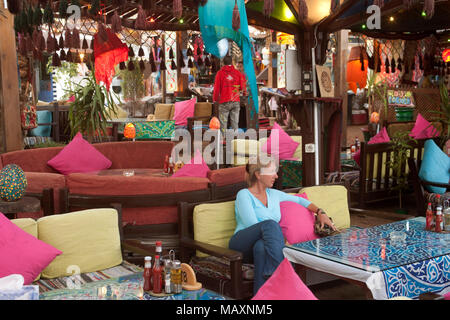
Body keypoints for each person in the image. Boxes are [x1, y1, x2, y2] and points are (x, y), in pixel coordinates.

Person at [228, 157, 336, 295]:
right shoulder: (244, 195)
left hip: (263, 244)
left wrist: (321, 212)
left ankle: (260, 298)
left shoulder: (274, 194)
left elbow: (300, 200)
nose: (276, 176)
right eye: (272, 171)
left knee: (261, 248)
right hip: (241, 243)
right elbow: (252, 224)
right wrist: (281, 240)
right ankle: (285, 273)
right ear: (258, 174)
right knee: (270, 225)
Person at [213, 55, 246, 138]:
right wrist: (242, 93)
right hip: (235, 101)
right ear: (232, 62)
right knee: (235, 123)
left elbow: (217, 88)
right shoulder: (238, 73)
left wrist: (215, 99)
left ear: (223, 63)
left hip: (224, 101)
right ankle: (236, 140)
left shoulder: (219, 73)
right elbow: (242, 87)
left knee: (223, 123)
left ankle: (223, 141)